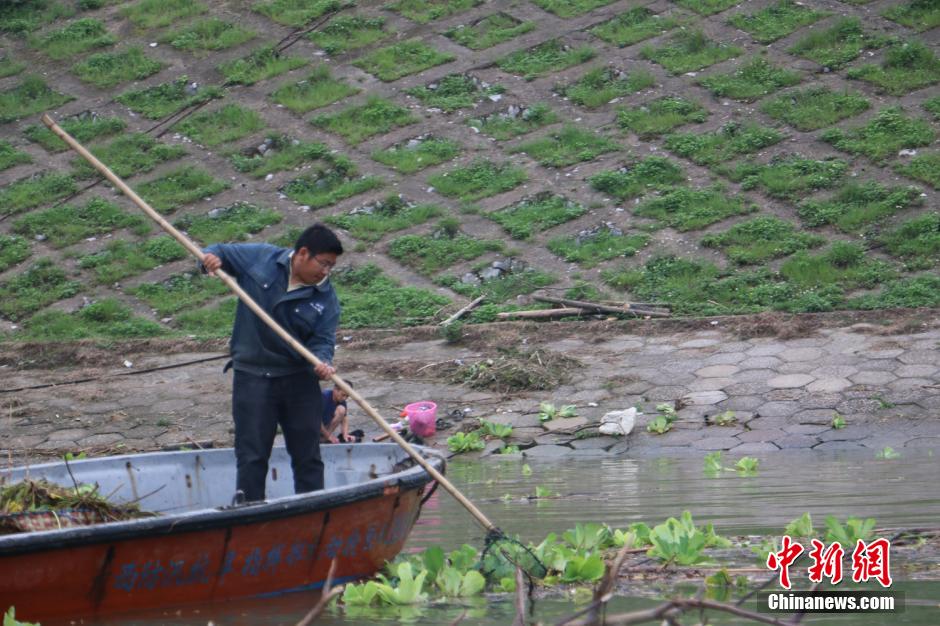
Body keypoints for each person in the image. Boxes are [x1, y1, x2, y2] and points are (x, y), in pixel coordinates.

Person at [201, 223, 342, 502]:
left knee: (308, 455)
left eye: (331, 267)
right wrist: (208, 260)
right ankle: (250, 512)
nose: (326, 272)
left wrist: (323, 361)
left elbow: (323, 341)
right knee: (252, 454)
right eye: (323, 264)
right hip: (252, 376)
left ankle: (312, 513)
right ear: (303, 253)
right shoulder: (261, 258)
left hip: (298, 380)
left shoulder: (325, 298)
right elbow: (217, 251)